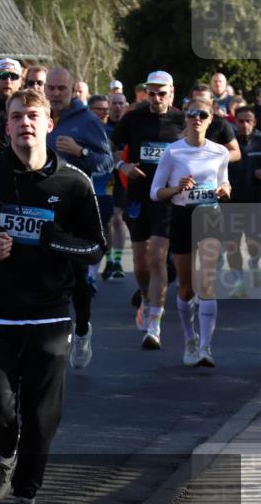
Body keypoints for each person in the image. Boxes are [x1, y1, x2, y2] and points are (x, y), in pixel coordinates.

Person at [0, 88, 105, 504]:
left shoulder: (74, 183)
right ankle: (4, 453)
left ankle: (25, 501)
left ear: (48, 124)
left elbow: (96, 247)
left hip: (50, 316)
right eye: (16, 116)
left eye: (33, 116)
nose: (24, 124)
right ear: (6, 125)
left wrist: (54, 240)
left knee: (42, 417)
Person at [149, 97, 230, 367]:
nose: (197, 118)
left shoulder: (220, 152)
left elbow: (224, 182)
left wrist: (225, 190)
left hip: (209, 215)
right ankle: (190, 339)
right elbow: (155, 192)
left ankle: (206, 347)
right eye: (192, 114)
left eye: (202, 115)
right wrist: (177, 189)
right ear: (185, 118)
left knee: (206, 283)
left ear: (210, 120)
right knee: (186, 286)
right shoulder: (173, 152)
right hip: (182, 216)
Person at [45, 68, 114, 370]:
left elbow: (107, 162)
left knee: (78, 282)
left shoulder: (87, 121)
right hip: (44, 209)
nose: (56, 94)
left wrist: (81, 150)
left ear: (72, 90)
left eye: (62, 88)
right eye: (52, 88)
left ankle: (82, 327)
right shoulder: (36, 115)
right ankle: (49, 337)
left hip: (78, 209)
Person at [110, 71, 185, 348]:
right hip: (138, 196)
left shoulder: (181, 121)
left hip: (167, 198)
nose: (156, 99)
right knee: (141, 264)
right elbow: (112, 146)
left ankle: (154, 325)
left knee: (157, 258)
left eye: (161, 93)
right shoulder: (133, 118)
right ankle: (144, 296)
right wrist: (123, 166)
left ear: (171, 93)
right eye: (151, 93)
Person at [224, 106, 261, 295]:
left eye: (249, 121)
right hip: (232, 202)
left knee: (255, 243)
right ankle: (238, 281)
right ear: (235, 122)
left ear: (254, 122)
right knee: (232, 243)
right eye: (241, 121)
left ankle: (254, 261)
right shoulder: (229, 143)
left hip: (256, 202)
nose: (245, 124)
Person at [104, 93, 131, 280]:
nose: (117, 107)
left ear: (126, 106)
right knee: (106, 221)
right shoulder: (102, 128)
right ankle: (109, 260)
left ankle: (118, 261)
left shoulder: (132, 128)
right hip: (105, 178)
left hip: (123, 178)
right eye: (114, 103)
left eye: (121, 103)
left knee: (118, 218)